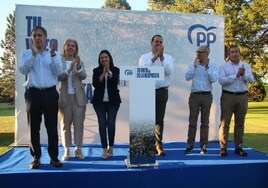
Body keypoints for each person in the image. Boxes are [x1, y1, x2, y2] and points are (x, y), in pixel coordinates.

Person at [18, 26, 63, 169]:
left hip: (50, 93)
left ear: (45, 37)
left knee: (51, 127)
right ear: (32, 38)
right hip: (33, 94)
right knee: (34, 128)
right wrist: (33, 54)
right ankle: (36, 157)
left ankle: (54, 157)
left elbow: (59, 72)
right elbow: (23, 70)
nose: (37, 38)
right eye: (35, 36)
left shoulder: (53, 54)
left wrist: (52, 54)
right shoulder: (26, 53)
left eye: (40, 35)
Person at [138, 34, 174, 156]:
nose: (158, 44)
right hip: (147, 91)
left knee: (159, 120)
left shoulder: (168, 57)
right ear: (151, 43)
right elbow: (142, 70)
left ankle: (158, 145)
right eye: (156, 42)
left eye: (160, 42)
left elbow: (169, 71)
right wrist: (155, 58)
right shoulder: (144, 57)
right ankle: (146, 145)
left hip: (162, 91)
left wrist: (161, 57)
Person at [218, 45, 254, 157]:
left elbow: (252, 80)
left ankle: (238, 147)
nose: (234, 54)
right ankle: (223, 148)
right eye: (232, 52)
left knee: (240, 123)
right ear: (229, 55)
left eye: (236, 51)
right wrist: (236, 75)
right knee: (225, 123)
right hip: (228, 96)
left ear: (239, 53)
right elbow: (222, 81)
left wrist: (244, 75)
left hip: (242, 97)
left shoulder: (246, 66)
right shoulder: (224, 66)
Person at [184, 45, 218, 154]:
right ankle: (190, 144)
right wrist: (194, 67)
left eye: (200, 52)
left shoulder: (212, 65)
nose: (198, 54)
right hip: (194, 95)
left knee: (205, 121)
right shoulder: (193, 64)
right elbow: (187, 77)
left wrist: (207, 68)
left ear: (206, 54)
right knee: (192, 121)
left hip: (207, 96)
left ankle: (204, 145)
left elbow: (213, 79)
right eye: (197, 52)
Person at [58, 39, 87, 160]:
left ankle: (78, 149)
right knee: (65, 125)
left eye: (73, 46)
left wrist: (78, 65)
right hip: (64, 97)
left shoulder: (79, 61)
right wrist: (69, 69)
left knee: (79, 124)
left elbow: (83, 76)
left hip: (78, 97)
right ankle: (66, 150)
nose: (70, 47)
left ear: (76, 49)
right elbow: (59, 77)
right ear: (64, 47)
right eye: (68, 45)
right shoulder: (59, 61)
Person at [91, 50, 121, 159]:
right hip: (99, 103)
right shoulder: (96, 70)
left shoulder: (116, 69)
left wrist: (109, 73)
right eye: (101, 57)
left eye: (106, 57)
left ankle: (111, 147)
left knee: (111, 124)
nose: (104, 59)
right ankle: (104, 149)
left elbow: (115, 81)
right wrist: (103, 73)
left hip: (113, 102)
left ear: (110, 58)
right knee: (102, 124)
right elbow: (95, 84)